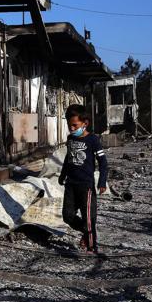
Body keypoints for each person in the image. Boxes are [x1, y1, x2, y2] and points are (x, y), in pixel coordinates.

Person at [58, 104, 108, 253]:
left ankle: (92, 247)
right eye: (69, 125)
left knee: (89, 219)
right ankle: (86, 232)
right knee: (67, 216)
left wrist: (102, 181)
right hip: (71, 185)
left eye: (75, 125)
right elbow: (68, 158)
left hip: (86, 186)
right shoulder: (70, 139)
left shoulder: (93, 140)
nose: (72, 128)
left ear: (85, 123)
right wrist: (62, 174)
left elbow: (103, 162)